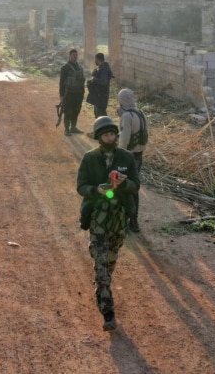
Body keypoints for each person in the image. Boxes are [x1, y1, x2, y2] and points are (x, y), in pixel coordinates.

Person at [76, 116, 138, 332]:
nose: (109, 137)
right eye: (105, 134)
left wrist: (124, 183)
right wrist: (96, 190)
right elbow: (81, 186)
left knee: (110, 260)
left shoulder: (127, 157)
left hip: (119, 218)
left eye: (112, 134)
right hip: (97, 218)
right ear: (99, 137)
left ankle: (103, 283)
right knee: (101, 263)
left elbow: (136, 186)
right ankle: (107, 310)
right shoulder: (89, 158)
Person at [117, 89, 148, 233]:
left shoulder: (127, 116)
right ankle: (134, 222)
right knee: (134, 188)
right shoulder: (141, 113)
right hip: (139, 156)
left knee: (122, 188)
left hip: (127, 156)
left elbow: (124, 140)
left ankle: (124, 220)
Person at [58, 48, 86, 136]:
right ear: (70, 56)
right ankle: (67, 129)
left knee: (76, 111)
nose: (75, 56)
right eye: (73, 55)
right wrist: (61, 94)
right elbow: (62, 82)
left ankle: (73, 127)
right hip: (69, 94)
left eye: (76, 55)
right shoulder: (65, 68)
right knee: (68, 111)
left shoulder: (80, 67)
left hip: (79, 94)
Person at [85, 53, 114, 119]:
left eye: (95, 59)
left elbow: (104, 81)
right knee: (98, 115)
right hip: (98, 96)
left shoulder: (104, 69)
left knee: (102, 116)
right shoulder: (101, 68)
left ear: (97, 59)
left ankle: (107, 128)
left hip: (101, 96)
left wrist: (94, 79)